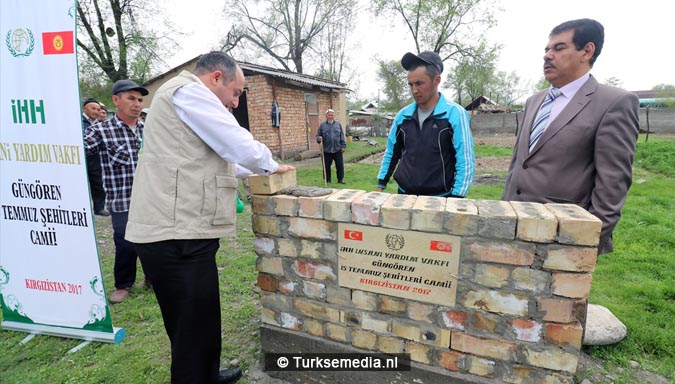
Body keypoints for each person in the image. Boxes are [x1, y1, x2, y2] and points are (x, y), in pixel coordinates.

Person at [125, 52, 295, 384]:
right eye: (235, 93)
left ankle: (206, 374)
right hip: (174, 234)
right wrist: (270, 164)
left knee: (198, 318)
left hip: (181, 230)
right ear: (216, 77)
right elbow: (236, 143)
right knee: (190, 325)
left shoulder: (186, 99)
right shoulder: (188, 92)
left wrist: (260, 169)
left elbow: (222, 157)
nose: (234, 103)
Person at [502, 19, 639, 255]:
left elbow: (612, 185)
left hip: (562, 239)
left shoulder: (613, 103)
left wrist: (584, 243)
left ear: (587, 51)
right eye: (546, 49)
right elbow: (519, 164)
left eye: (559, 48)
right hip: (513, 228)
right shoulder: (534, 101)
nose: (547, 56)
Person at [83, 79, 149, 303]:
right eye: (131, 98)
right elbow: (78, 150)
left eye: (140, 100)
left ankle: (152, 278)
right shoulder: (101, 130)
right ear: (115, 100)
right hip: (121, 199)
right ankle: (123, 284)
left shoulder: (147, 129)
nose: (137, 104)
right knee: (125, 242)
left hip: (151, 197)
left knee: (154, 241)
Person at [377, 51, 474, 197]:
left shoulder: (455, 114)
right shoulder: (403, 116)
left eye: (419, 83)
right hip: (405, 195)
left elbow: (465, 160)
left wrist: (457, 197)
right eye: (410, 85)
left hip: (440, 197)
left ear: (436, 80)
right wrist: (381, 184)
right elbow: (391, 152)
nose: (414, 90)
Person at [81, 98, 108, 216]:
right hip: (80, 156)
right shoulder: (77, 121)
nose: (96, 111)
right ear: (84, 108)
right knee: (80, 183)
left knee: (97, 182)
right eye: (93, 108)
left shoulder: (99, 124)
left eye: (98, 109)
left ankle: (99, 208)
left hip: (95, 157)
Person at [316, 109, 346, 184]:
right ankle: (328, 180)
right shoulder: (322, 125)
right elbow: (318, 135)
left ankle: (340, 179)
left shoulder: (338, 124)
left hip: (337, 149)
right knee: (326, 166)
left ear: (334, 116)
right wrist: (319, 138)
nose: (330, 116)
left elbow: (341, 136)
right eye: (329, 115)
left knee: (340, 166)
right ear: (326, 116)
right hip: (326, 150)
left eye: (332, 115)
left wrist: (343, 146)